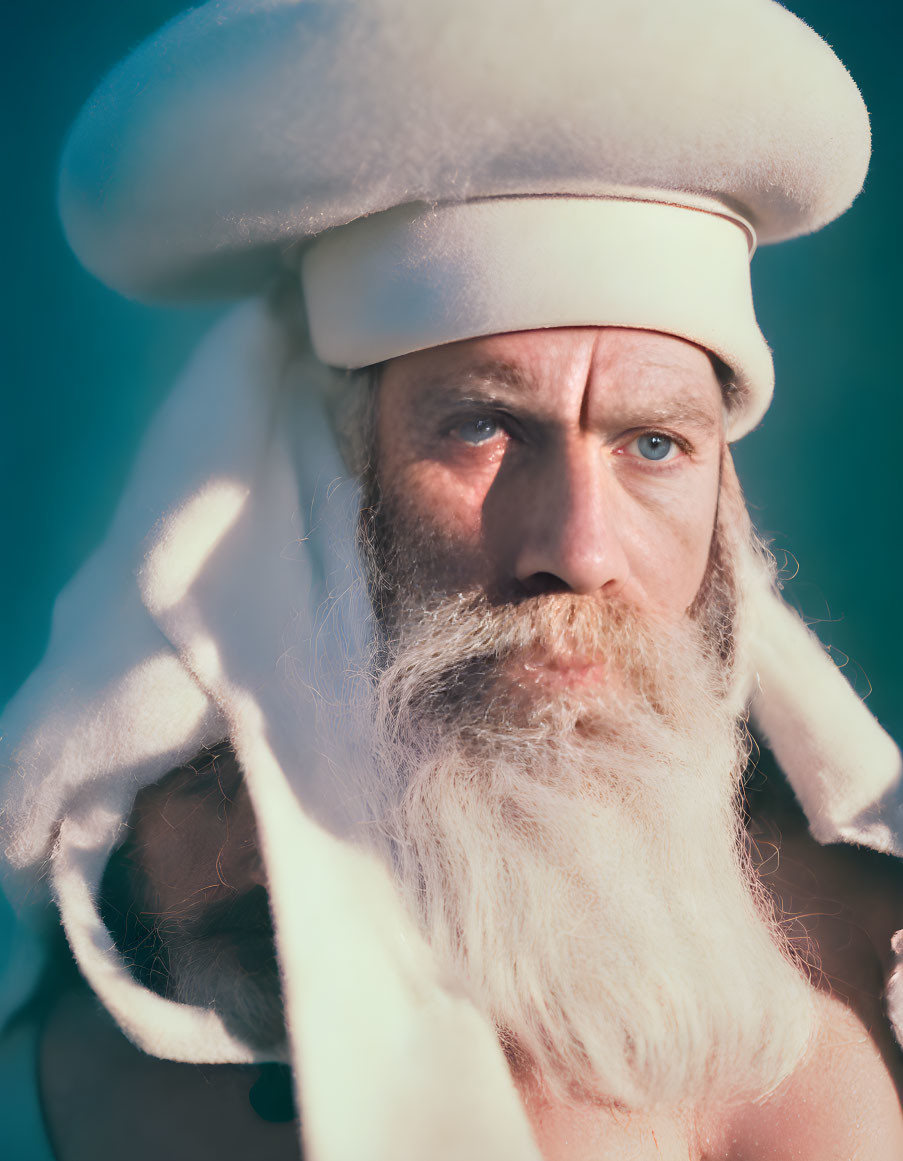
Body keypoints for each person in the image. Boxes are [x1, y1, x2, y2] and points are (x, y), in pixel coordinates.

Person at [2, 2, 903, 1159]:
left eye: (653, 444)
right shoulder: (153, 1028)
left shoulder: (874, 944)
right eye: (482, 429)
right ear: (335, 488)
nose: (577, 552)